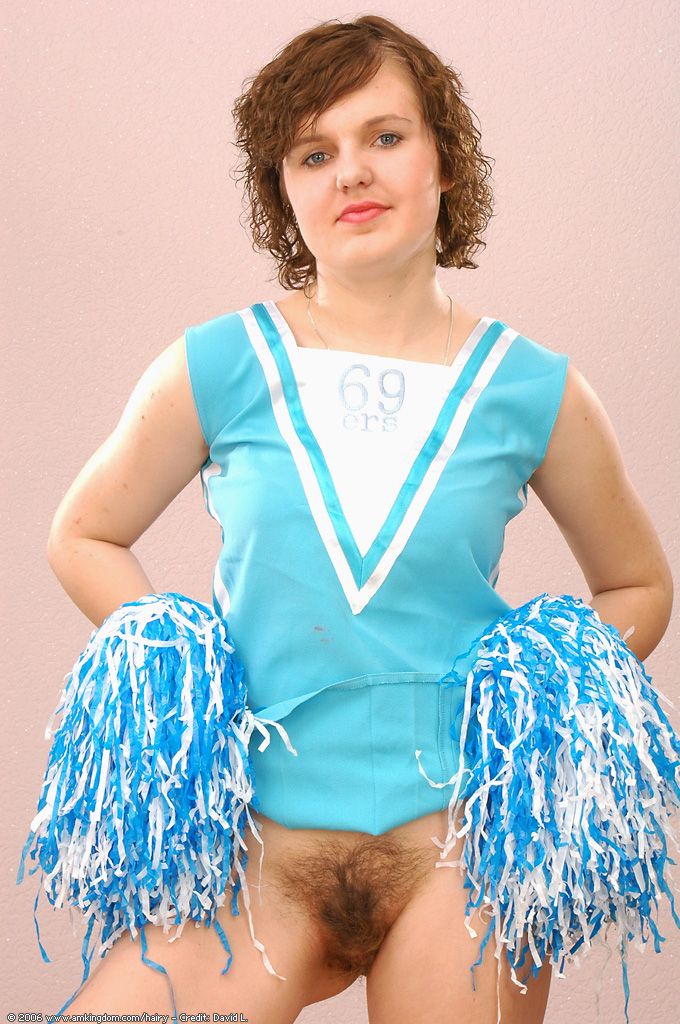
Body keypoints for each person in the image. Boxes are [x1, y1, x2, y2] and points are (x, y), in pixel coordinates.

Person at [17, 15, 679, 1024]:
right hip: (258, 860)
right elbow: (83, 534)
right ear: (282, 189)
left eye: (384, 137)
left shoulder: (534, 387)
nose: (350, 173)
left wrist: (550, 686)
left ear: (442, 160)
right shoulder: (217, 364)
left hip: (457, 859)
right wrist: (167, 653)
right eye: (313, 153)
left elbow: (638, 585)